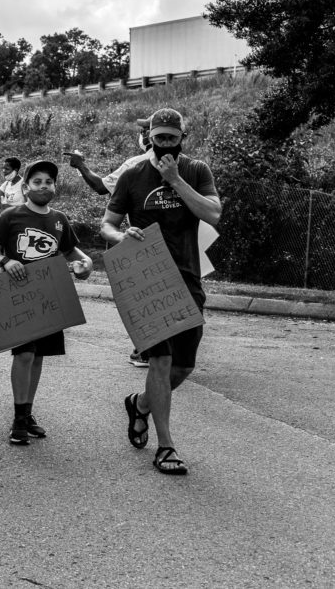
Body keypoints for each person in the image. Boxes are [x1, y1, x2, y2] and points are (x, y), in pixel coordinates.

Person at [100, 108, 221, 476]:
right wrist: (122, 235)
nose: (165, 142)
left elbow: (213, 214)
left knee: (183, 366)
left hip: (187, 279)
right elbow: (107, 224)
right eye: (160, 136)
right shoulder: (132, 175)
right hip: (147, 280)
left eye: (172, 137)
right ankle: (166, 447)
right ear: (149, 136)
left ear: (182, 137)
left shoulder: (196, 170)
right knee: (160, 361)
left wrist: (175, 180)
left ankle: (140, 403)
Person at [0, 159, 93, 445]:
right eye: (37, 181)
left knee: (39, 356)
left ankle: (27, 412)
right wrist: (5, 261)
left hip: (48, 299)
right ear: (26, 187)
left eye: (49, 182)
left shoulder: (59, 220)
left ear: (54, 187)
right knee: (25, 354)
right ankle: (18, 418)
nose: (44, 186)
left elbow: (74, 254)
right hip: (19, 298)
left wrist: (86, 263)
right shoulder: (10, 216)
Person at [66, 118, 154, 367]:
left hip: (142, 238)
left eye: (144, 131)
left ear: (148, 137)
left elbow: (101, 186)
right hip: (178, 240)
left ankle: (146, 348)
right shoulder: (189, 166)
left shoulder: (135, 164)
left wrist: (80, 165)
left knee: (144, 294)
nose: (142, 135)